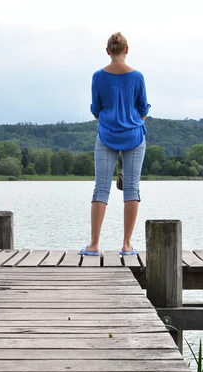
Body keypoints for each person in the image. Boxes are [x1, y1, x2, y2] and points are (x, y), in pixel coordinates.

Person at [79, 32, 150, 257]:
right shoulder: (137, 76)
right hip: (134, 137)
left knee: (101, 189)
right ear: (126, 51)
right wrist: (131, 124)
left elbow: (96, 110)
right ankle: (127, 245)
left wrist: (110, 124)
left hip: (107, 135)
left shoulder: (98, 77)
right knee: (131, 190)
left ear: (108, 51)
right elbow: (143, 109)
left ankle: (94, 245)